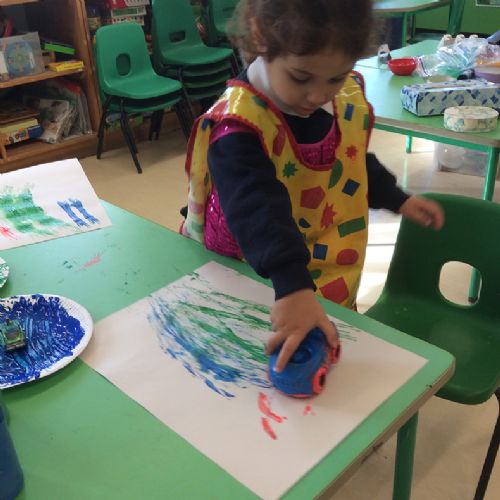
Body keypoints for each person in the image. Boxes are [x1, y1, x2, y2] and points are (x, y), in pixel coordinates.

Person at [181, 0, 444, 372]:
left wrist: (397, 199)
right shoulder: (237, 125)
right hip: (251, 267)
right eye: (301, 78)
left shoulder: (334, 98)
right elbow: (255, 203)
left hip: (316, 265)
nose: (319, 96)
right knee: (245, 364)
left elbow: (350, 162)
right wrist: (291, 285)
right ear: (260, 37)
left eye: (336, 78)